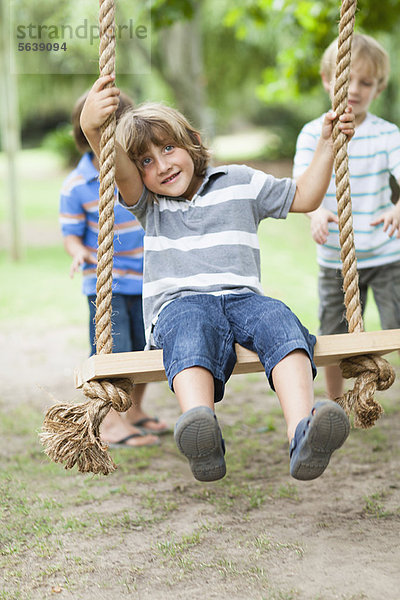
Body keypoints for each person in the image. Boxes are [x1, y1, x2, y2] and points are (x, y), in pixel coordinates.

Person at [79, 74, 355, 482]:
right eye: (146, 161)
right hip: (180, 304)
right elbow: (116, 166)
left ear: (190, 140)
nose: (163, 164)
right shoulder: (148, 204)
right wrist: (92, 128)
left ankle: (303, 432)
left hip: (245, 298)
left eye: (168, 147)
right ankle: (201, 429)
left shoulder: (240, 182)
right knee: (190, 332)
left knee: (281, 322)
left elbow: (305, 197)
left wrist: (329, 144)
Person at [293, 33, 400, 401]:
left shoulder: (387, 135)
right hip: (336, 259)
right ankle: (335, 400)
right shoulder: (312, 134)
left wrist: (398, 207)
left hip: (387, 256)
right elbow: (301, 185)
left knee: (397, 328)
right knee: (334, 335)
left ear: (378, 88)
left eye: (365, 82)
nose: (354, 89)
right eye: (346, 79)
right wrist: (316, 212)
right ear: (328, 80)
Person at [59, 90, 168, 448]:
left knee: (145, 351)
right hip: (105, 283)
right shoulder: (77, 186)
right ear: (84, 134)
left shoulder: (136, 173)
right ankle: (109, 424)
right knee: (113, 352)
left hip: (145, 279)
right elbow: (71, 234)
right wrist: (77, 253)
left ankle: (134, 412)